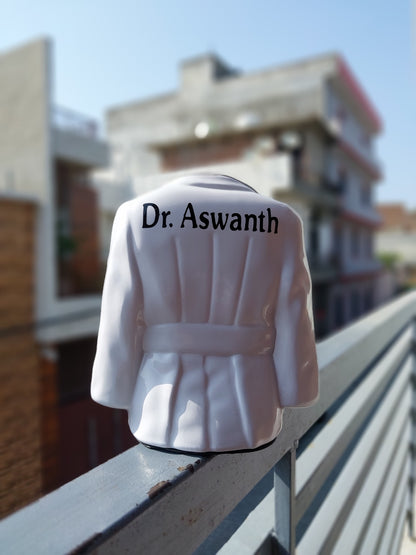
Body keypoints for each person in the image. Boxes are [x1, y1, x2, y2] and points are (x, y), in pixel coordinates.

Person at [91, 173, 318, 452]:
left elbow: (119, 311)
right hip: (254, 409)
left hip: (159, 409)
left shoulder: (134, 215)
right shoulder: (283, 221)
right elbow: (295, 315)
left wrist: (113, 387)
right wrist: (297, 388)